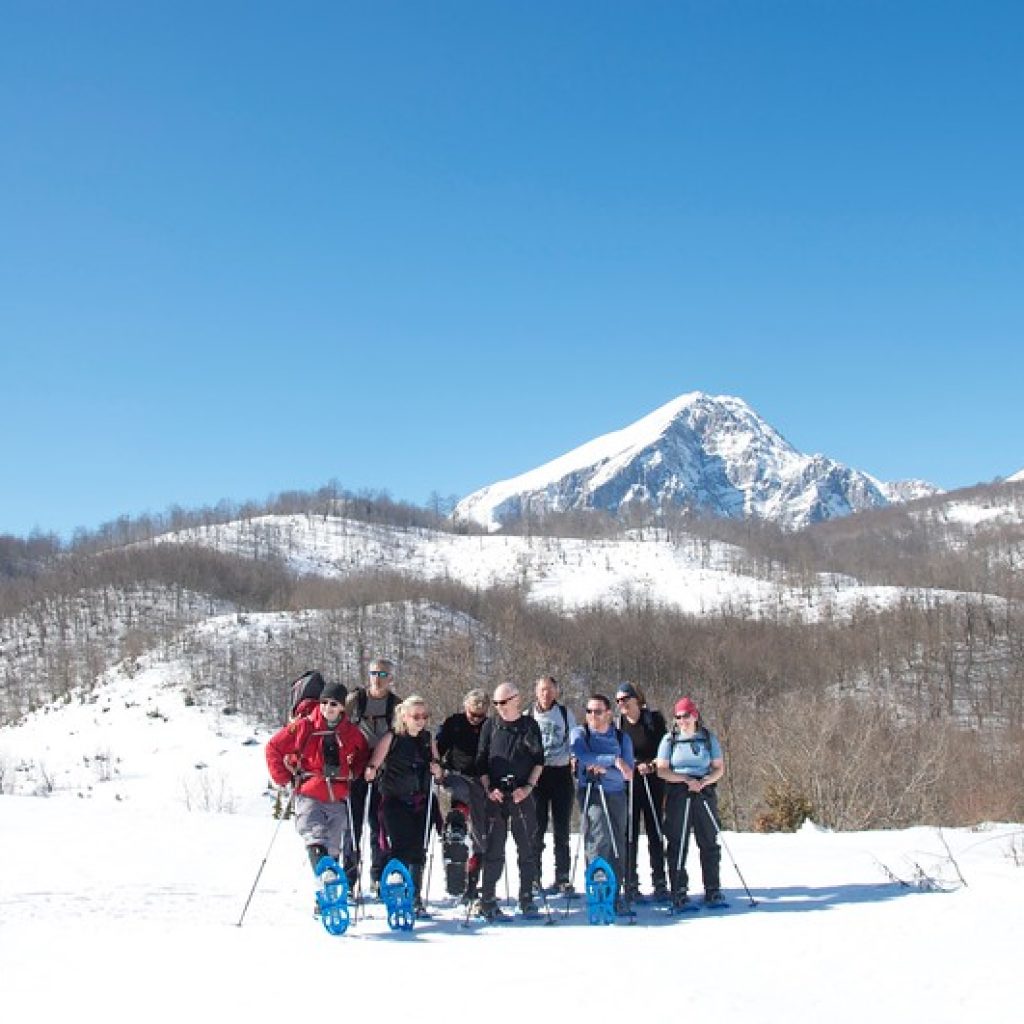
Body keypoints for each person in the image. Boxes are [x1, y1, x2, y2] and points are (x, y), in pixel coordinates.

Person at [265, 681, 370, 905]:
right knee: (314, 836)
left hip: (338, 796)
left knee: (332, 848)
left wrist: (356, 771)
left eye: (333, 704)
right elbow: (273, 747)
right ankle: (327, 882)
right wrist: (284, 778)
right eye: (323, 702)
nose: (327, 707)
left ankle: (325, 900)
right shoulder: (304, 726)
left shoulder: (350, 732)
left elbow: (363, 753)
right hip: (310, 791)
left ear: (342, 707)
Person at [364, 695, 444, 917]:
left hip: (421, 800)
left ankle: (415, 897)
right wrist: (371, 771)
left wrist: (438, 771)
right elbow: (375, 763)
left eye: (424, 716)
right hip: (394, 801)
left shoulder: (428, 739)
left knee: (419, 849)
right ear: (404, 717)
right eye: (416, 716)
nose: (421, 720)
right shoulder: (392, 738)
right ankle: (395, 887)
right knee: (400, 846)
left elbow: (439, 767)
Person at [473, 682, 545, 920]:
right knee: (494, 849)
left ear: (516, 699)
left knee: (527, 848)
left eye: (503, 702)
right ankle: (488, 899)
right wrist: (489, 788)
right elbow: (481, 762)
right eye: (495, 703)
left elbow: (538, 761)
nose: (499, 707)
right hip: (495, 796)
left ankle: (527, 897)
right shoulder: (490, 726)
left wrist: (528, 787)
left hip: (522, 795)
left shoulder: (529, 726)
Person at [655, 696, 726, 909]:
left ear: (694, 715)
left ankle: (712, 888)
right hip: (678, 791)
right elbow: (662, 770)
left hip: (703, 791)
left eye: (685, 716)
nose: (682, 721)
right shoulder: (670, 739)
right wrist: (685, 780)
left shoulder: (707, 738)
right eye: (678, 717)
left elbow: (719, 768)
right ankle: (679, 889)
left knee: (708, 841)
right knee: (677, 841)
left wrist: (704, 781)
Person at [571, 693, 635, 913]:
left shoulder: (620, 737)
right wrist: (613, 761)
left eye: (597, 711)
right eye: (588, 711)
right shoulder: (581, 733)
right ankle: (598, 891)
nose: (592, 716)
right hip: (592, 791)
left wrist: (605, 767)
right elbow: (580, 754)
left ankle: (615, 892)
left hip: (616, 793)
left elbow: (627, 774)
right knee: (599, 838)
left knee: (617, 842)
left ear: (608, 713)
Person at [344, 657, 401, 892]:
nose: (378, 679)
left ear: (391, 678)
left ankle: (378, 876)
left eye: (383, 674)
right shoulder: (355, 700)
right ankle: (349, 877)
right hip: (356, 767)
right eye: (374, 673)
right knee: (352, 824)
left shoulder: (397, 705)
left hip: (384, 770)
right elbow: (341, 726)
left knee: (379, 825)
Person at [615, 682, 669, 902]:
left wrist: (652, 765)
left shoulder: (653, 720)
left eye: (625, 699)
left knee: (655, 832)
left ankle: (659, 881)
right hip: (629, 784)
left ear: (637, 698)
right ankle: (630, 880)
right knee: (630, 834)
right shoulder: (619, 725)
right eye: (618, 701)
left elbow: (665, 749)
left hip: (652, 782)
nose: (622, 704)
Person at [435, 687, 489, 901]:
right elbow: (438, 747)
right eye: (472, 714)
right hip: (457, 774)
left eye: (480, 715)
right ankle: (456, 822)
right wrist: (436, 766)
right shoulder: (454, 723)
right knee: (461, 790)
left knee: (481, 834)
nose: (475, 719)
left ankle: (472, 880)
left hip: (482, 780)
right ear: (465, 707)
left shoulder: (490, 727)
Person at [528, 675, 578, 894]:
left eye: (549, 690)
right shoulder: (527, 716)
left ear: (556, 692)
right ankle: (533, 876)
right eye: (542, 690)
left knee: (562, 829)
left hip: (561, 774)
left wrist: (576, 759)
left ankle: (563, 877)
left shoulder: (566, 715)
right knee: (535, 829)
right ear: (536, 692)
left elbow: (575, 742)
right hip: (536, 777)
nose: (545, 694)